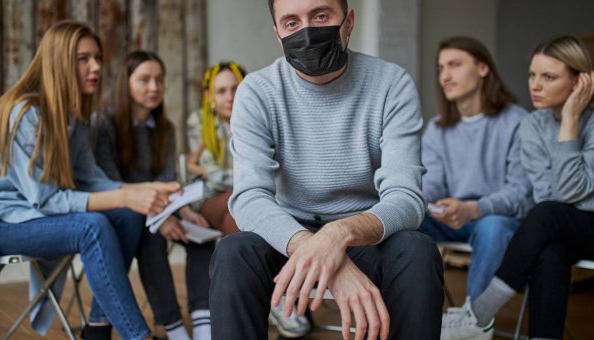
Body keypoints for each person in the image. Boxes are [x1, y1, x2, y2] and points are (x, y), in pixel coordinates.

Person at [209, 1, 444, 339]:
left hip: (364, 233)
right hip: (289, 234)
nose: (306, 31)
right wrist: (318, 251)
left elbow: (406, 198)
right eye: (291, 22)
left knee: (417, 252)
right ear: (278, 34)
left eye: (321, 16)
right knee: (233, 253)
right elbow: (249, 198)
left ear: (348, 21)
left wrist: (337, 237)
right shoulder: (257, 92)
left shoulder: (392, 84)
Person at [0, 21, 179, 340]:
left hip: (29, 215)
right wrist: (125, 196)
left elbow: (92, 180)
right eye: (83, 58)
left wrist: (145, 191)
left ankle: (97, 329)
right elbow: (45, 199)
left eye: (97, 57)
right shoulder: (24, 115)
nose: (97, 66)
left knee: (127, 217)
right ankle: (137, 336)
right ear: (58, 61)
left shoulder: (74, 118)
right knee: (93, 226)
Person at [441, 35, 594, 340]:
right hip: (569, 223)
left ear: (580, 80)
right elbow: (549, 195)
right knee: (550, 249)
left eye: (549, 77)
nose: (535, 85)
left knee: (547, 217)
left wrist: (570, 119)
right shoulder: (533, 125)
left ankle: (479, 314)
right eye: (532, 75)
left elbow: (565, 191)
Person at [93, 51, 214, 340]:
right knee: (152, 236)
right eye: (144, 79)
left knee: (201, 231)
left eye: (159, 80)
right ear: (126, 83)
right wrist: (159, 218)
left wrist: (183, 212)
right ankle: (172, 326)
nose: (154, 87)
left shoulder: (165, 129)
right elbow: (109, 182)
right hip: (121, 213)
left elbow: (167, 180)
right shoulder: (105, 125)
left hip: (160, 207)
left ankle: (202, 321)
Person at [421, 36, 533, 301]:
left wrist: (474, 209)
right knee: (402, 220)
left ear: (483, 69)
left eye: (455, 65)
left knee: (492, 227)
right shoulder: (437, 129)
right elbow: (433, 185)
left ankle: (474, 321)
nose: (445, 76)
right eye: (441, 68)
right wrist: (414, 202)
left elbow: (522, 193)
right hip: (452, 218)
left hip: (499, 219)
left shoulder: (518, 122)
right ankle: (407, 315)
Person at [185, 62, 247, 235]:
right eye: (221, 91)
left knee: (233, 216)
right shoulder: (198, 121)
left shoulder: (255, 119)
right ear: (209, 95)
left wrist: (202, 170)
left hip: (243, 194)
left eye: (236, 89)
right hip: (209, 196)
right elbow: (214, 176)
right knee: (241, 203)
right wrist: (248, 181)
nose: (230, 97)